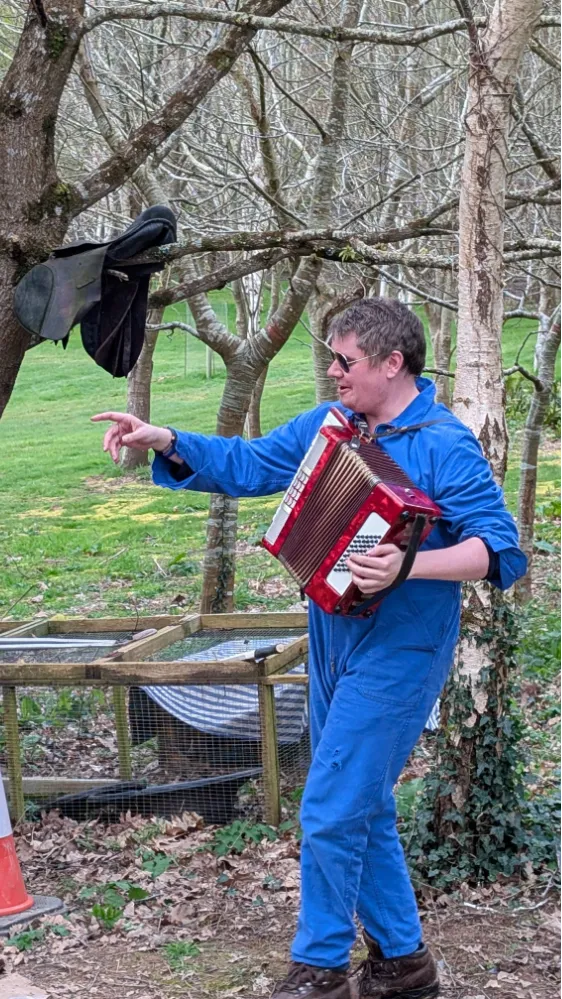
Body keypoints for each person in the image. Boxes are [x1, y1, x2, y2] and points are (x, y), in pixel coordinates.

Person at [92, 298, 526, 999]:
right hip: (330, 637)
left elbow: (502, 552)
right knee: (364, 803)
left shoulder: (445, 443)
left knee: (328, 806)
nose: (332, 370)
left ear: (393, 362)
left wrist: (410, 564)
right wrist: (166, 438)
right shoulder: (332, 425)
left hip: (403, 648)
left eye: (345, 359)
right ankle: (403, 966)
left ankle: (317, 968)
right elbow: (251, 461)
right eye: (331, 356)